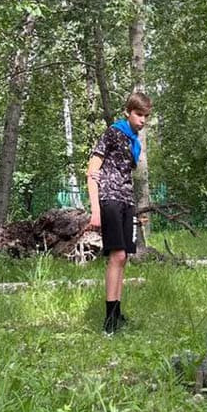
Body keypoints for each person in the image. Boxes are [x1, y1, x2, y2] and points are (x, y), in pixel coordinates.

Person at [86, 91, 153, 334]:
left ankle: (116, 312)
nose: (142, 120)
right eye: (138, 114)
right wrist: (96, 210)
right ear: (127, 112)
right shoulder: (113, 132)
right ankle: (109, 322)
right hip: (110, 199)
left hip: (126, 201)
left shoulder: (133, 140)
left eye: (146, 116)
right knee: (117, 256)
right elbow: (92, 170)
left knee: (123, 257)